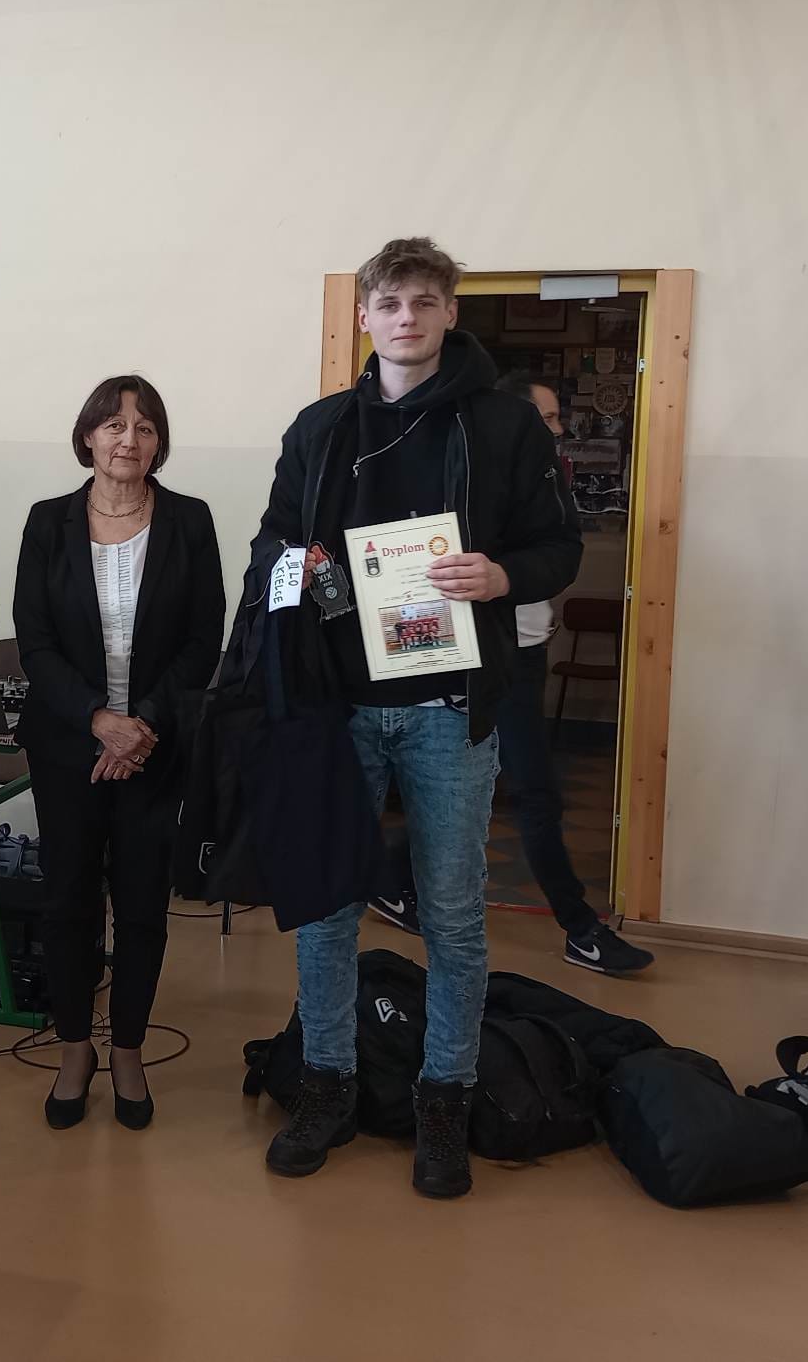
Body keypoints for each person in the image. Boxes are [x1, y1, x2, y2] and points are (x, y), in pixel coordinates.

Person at [246, 237, 580, 1196]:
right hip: (338, 709)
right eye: (390, 303)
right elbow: (270, 544)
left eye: (425, 302)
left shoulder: (505, 428)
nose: (407, 318)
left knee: (453, 915)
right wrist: (301, 571)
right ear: (365, 317)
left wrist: (502, 575)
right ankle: (328, 1084)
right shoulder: (320, 429)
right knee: (327, 908)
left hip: (448, 709)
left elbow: (561, 547)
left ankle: (446, 1097)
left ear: (449, 314)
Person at [369, 371, 652, 976]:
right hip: (490, 661)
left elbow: (556, 555)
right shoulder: (480, 480)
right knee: (534, 792)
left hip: (528, 651)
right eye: (547, 418)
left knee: (488, 788)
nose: (558, 428)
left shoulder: (540, 483)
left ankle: (389, 879)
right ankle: (580, 927)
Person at [12, 376, 222, 1130]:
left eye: (144, 427)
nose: (128, 439)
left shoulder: (190, 520)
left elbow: (203, 638)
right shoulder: (48, 521)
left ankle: (128, 1048)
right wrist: (100, 720)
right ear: (87, 437)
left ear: (159, 442)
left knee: (141, 905)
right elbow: (34, 639)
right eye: (113, 424)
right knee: (67, 899)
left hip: (154, 750)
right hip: (69, 745)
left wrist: (142, 727)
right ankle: (75, 1047)